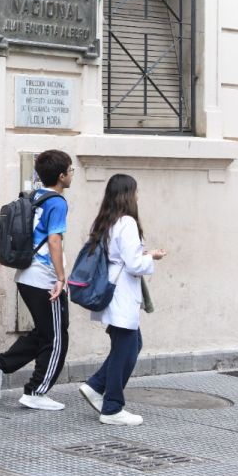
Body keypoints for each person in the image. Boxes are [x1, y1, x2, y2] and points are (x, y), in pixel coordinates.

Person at [0, 149, 74, 410]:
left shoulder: (35, 197)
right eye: (70, 170)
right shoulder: (57, 202)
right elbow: (54, 240)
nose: (72, 174)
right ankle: (36, 391)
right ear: (61, 175)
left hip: (26, 276)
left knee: (45, 333)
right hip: (45, 279)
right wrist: (61, 278)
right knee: (57, 338)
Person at [77, 173, 166, 426]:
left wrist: (142, 254)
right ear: (128, 195)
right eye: (136, 192)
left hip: (111, 290)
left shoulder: (104, 221)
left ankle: (95, 386)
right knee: (124, 348)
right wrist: (152, 258)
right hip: (121, 293)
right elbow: (134, 263)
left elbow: (119, 255)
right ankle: (112, 407)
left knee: (131, 343)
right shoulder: (126, 222)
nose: (138, 196)